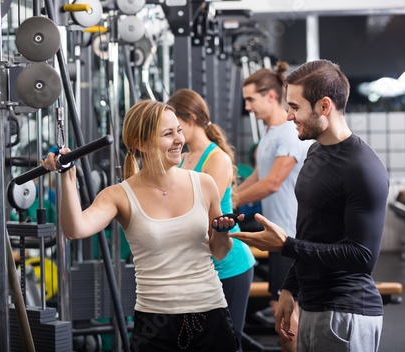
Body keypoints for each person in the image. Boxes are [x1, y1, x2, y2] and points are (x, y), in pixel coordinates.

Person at [41, 99, 241, 352]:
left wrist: (222, 233)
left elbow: (219, 251)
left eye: (179, 130)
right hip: (155, 323)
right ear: (141, 143)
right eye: (168, 134)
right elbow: (74, 230)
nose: (179, 139)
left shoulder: (204, 183)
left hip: (210, 311)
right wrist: (67, 175)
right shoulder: (119, 195)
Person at [230, 59, 389, 352]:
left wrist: (286, 247)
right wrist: (291, 287)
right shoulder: (315, 152)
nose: (289, 116)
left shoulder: (362, 168)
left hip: (346, 313)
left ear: (324, 106)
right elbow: (311, 233)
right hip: (314, 305)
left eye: (295, 107)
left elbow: (362, 257)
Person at [166, 89, 255, 351]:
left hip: (229, 264)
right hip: (199, 267)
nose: (175, 135)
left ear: (191, 118)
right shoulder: (182, 158)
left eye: (177, 127)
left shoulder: (218, 159)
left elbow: (201, 210)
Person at [233, 60, 311, 352]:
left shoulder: (289, 132)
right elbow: (258, 175)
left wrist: (230, 200)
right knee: (283, 308)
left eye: (251, 99)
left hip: (292, 233)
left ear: (270, 95)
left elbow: (272, 182)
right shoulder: (269, 133)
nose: (248, 107)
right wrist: (228, 195)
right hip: (280, 235)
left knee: (285, 310)